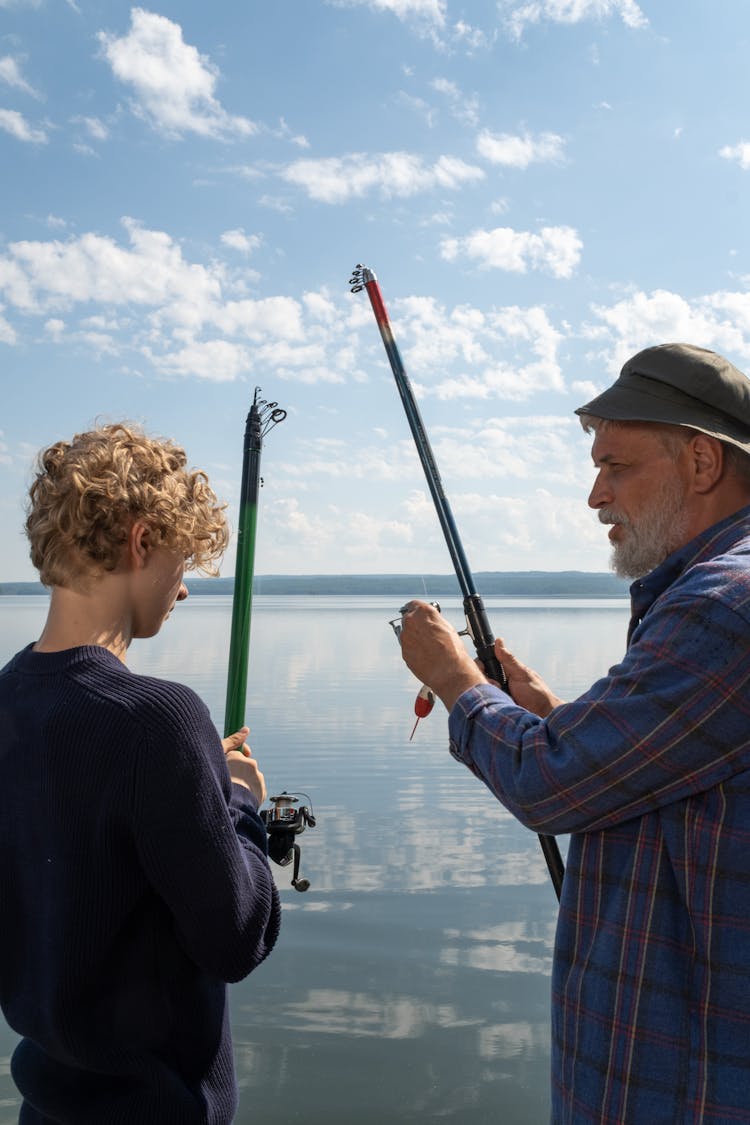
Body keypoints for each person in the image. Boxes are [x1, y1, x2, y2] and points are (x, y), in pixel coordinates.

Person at [399, 343, 750, 1125]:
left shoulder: (724, 604)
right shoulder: (706, 593)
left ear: (701, 462)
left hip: (679, 1091)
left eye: (616, 466)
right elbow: (665, 777)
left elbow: (546, 783)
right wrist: (552, 716)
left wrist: (455, 680)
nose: (596, 495)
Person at [0, 422, 281, 1125]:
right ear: (142, 540)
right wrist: (242, 803)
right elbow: (237, 936)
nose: (182, 590)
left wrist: (196, 779)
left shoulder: (9, 702)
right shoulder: (160, 719)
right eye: (182, 562)